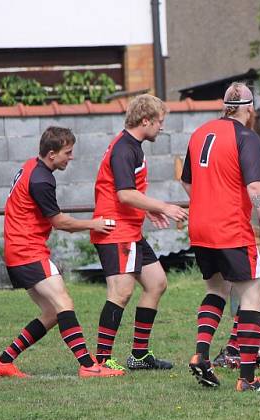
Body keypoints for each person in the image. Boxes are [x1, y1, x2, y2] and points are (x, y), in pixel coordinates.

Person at [0, 127, 124, 378]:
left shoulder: (32, 167)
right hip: (28, 251)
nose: (71, 157)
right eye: (67, 152)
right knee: (64, 304)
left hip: (18, 251)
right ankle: (88, 365)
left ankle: (3, 361)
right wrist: (93, 224)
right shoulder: (41, 179)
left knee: (52, 313)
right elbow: (60, 222)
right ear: (52, 154)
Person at [181, 82, 260, 392]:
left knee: (216, 289)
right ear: (249, 109)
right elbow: (256, 188)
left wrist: (208, 201)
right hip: (231, 228)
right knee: (252, 294)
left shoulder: (199, 133)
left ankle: (201, 354)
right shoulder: (246, 137)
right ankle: (248, 378)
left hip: (200, 226)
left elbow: (187, 182)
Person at [91, 94, 188, 371]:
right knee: (121, 292)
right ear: (145, 121)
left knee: (156, 282)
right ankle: (101, 360)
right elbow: (123, 194)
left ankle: (139, 355)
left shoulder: (133, 146)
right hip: (115, 230)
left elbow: (125, 192)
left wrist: (147, 210)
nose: (162, 127)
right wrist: (164, 206)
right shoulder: (125, 148)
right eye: (159, 122)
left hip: (130, 229)